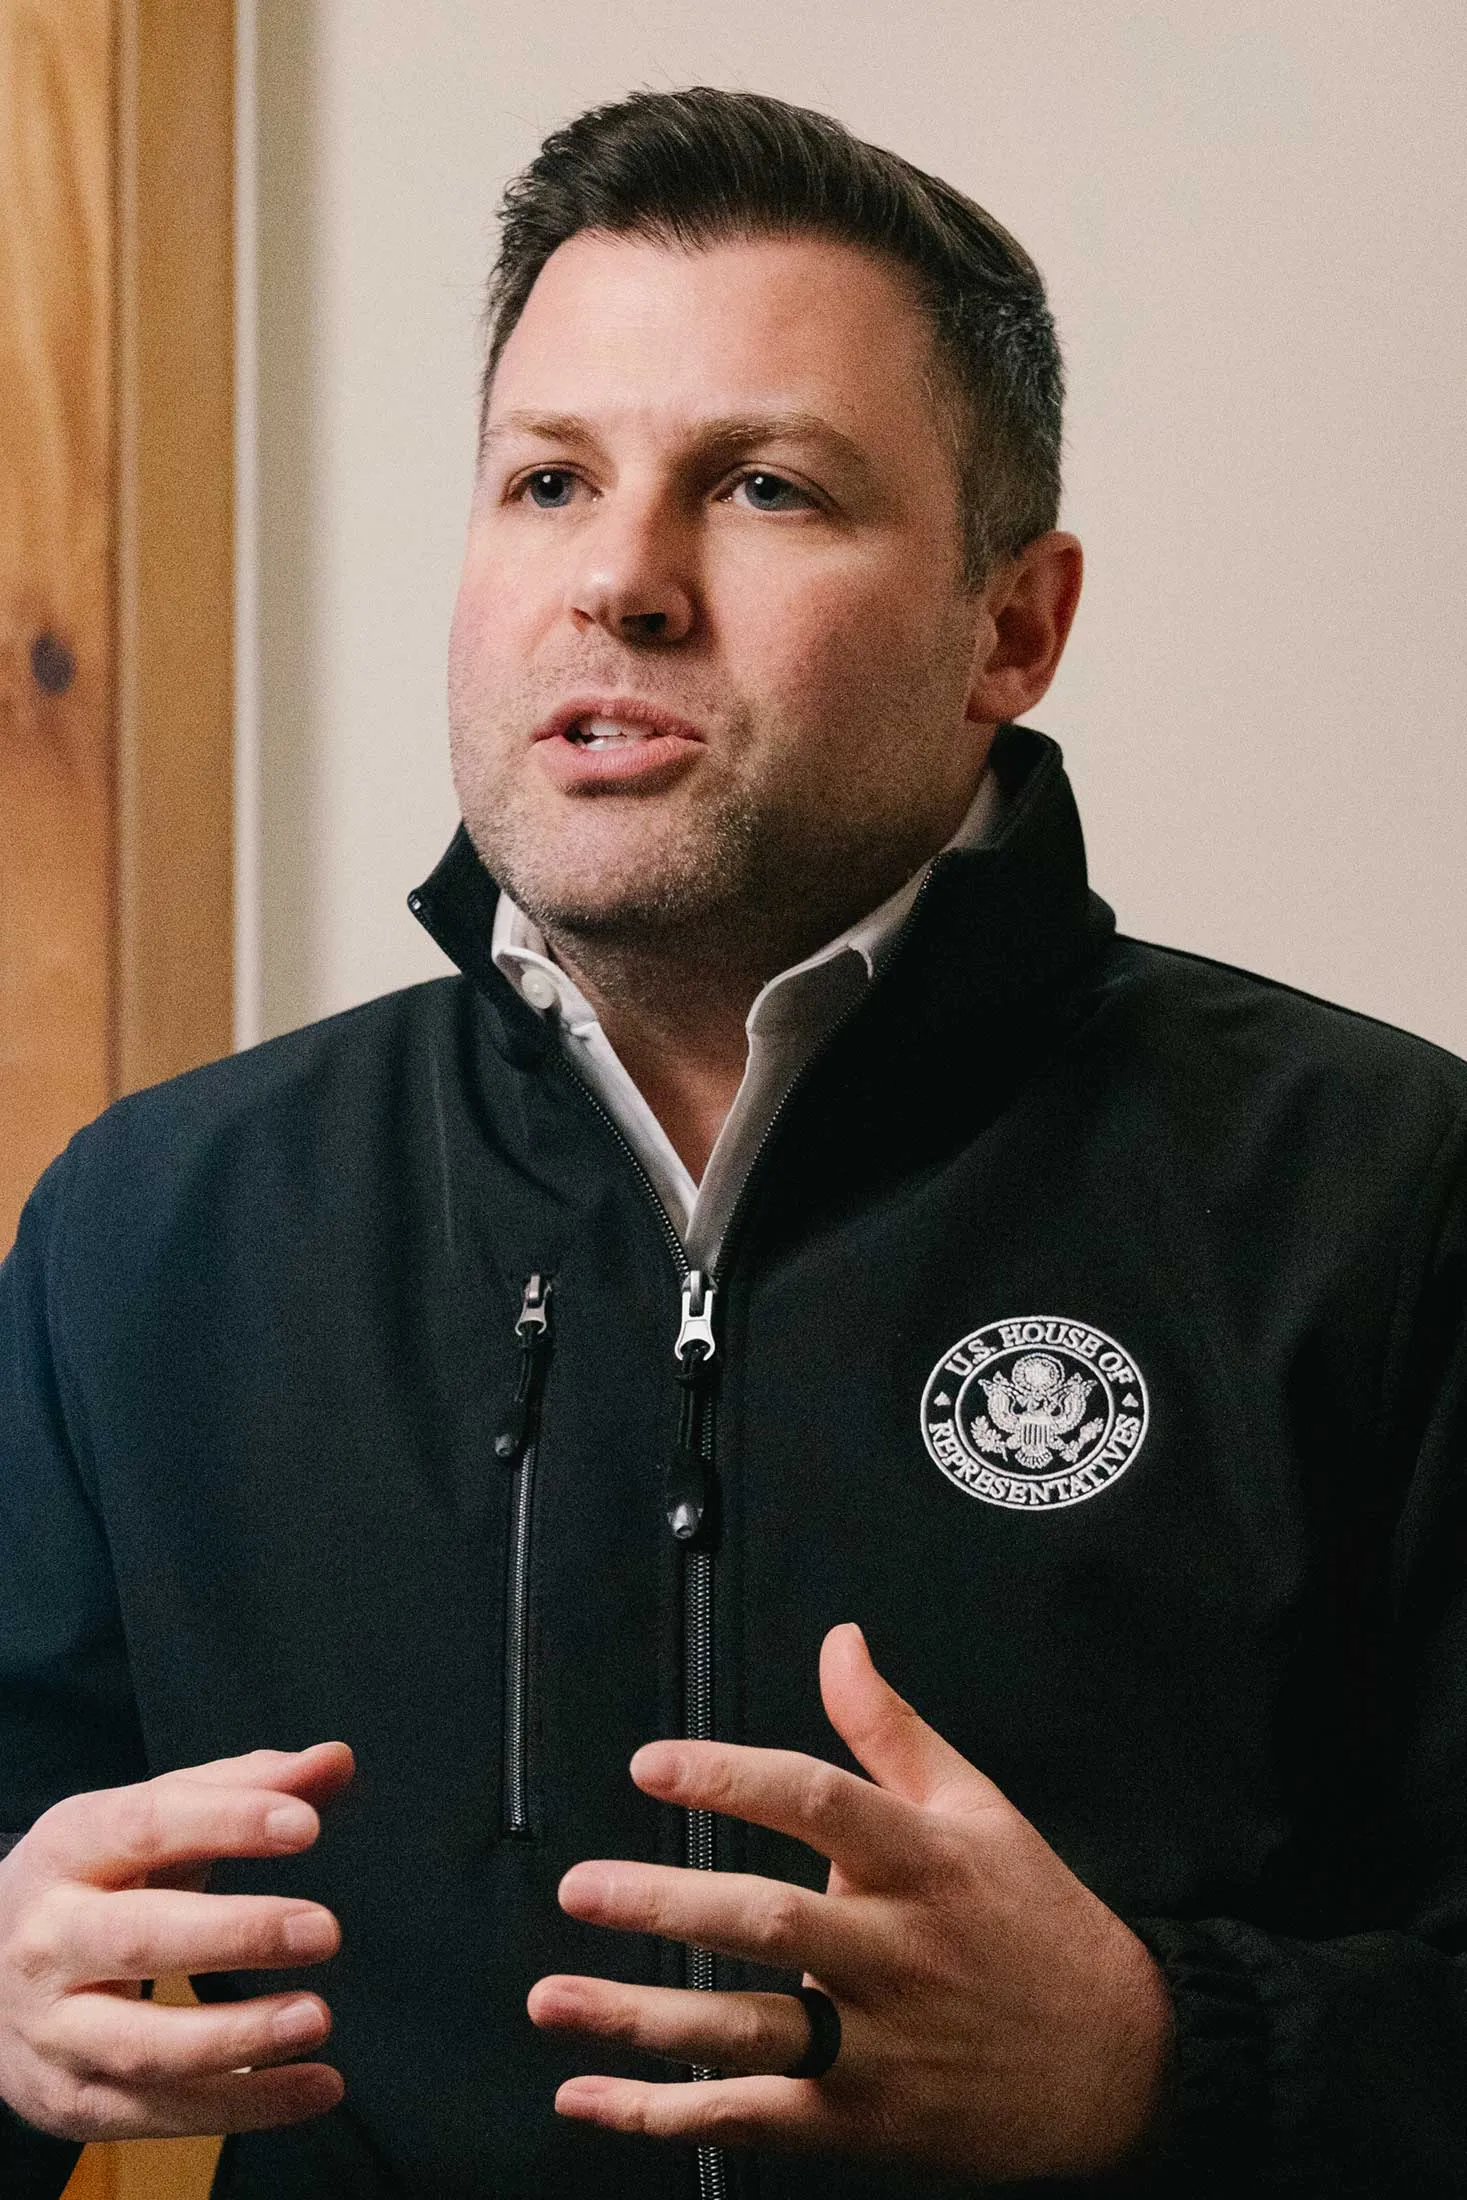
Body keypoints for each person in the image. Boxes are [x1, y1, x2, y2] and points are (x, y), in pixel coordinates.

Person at [1, 85, 1465, 2200]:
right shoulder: (155, 1229)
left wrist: (1165, 2056)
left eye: (764, 484)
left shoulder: (1381, 1194)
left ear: (1012, 627)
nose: (618, 578)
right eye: (547, 479)